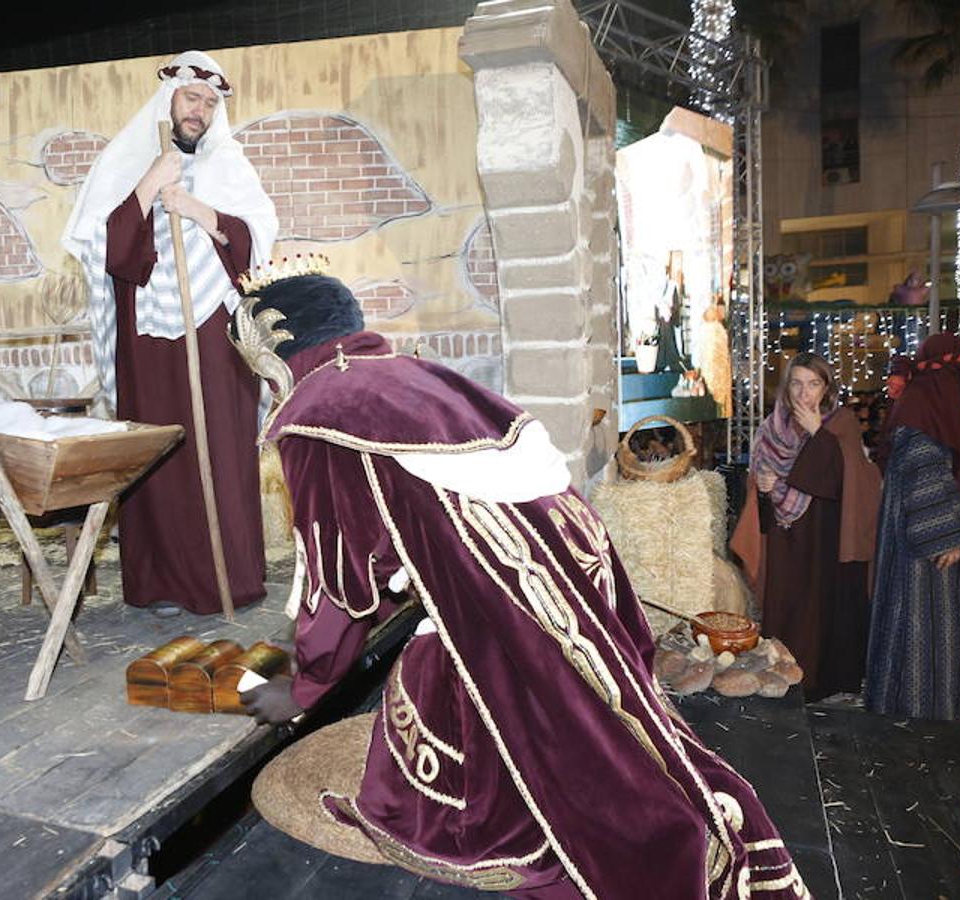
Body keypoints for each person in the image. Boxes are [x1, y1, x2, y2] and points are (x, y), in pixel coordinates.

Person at [236, 263, 808, 898]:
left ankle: (501, 810)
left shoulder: (319, 412)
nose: (267, 390)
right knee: (599, 729)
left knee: (443, 700)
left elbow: (340, 582)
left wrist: (308, 686)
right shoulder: (417, 375)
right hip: (571, 569)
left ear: (279, 350)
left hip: (502, 603)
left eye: (263, 372)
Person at [62, 51, 276, 616]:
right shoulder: (126, 160)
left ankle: (227, 578)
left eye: (209, 103)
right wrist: (147, 187)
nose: (199, 110)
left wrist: (198, 211)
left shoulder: (229, 164)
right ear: (170, 99)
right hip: (148, 340)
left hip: (213, 334)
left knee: (221, 451)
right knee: (158, 452)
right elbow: (103, 252)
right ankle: (161, 583)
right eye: (191, 98)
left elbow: (256, 240)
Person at [730, 353, 881, 701]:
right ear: (786, 387)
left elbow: (850, 481)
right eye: (797, 383)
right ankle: (782, 677)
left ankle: (819, 683)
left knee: (820, 612)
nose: (804, 393)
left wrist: (818, 434)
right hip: (783, 534)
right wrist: (765, 491)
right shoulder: (771, 427)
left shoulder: (841, 423)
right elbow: (758, 494)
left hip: (826, 533)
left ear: (826, 388)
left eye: (813, 384)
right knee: (786, 607)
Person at [866, 333, 960, 721]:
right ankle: (923, 718)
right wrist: (946, 536)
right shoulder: (922, 408)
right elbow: (924, 470)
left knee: (931, 633)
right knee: (922, 632)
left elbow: (956, 463)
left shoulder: (935, 407)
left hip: (928, 542)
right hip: (929, 553)